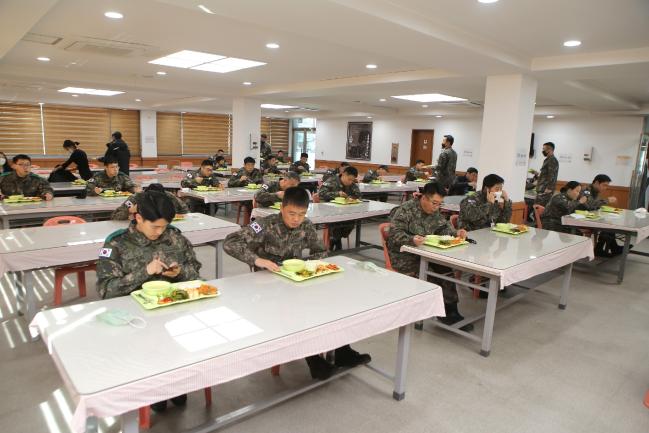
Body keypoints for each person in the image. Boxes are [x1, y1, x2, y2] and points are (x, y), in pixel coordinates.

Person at [223, 187, 371, 380]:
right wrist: (258, 260)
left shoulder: (306, 226)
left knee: (332, 305)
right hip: (267, 286)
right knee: (301, 311)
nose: (296, 219)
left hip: (297, 280)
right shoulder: (264, 224)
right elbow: (230, 242)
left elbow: (321, 251)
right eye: (292, 213)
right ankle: (315, 362)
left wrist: (308, 264)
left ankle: (342, 351)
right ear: (282, 208)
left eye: (301, 214)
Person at [97, 190, 201, 412]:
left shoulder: (175, 237)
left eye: (164, 226)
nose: (160, 231)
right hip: (136, 322)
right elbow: (106, 290)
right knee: (152, 355)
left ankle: (175, 384)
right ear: (138, 218)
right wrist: (145, 272)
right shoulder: (116, 244)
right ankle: (155, 388)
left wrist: (180, 273)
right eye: (155, 226)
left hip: (176, 316)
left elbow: (196, 271)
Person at [387, 181, 471, 331]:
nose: (436, 207)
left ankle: (451, 309)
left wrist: (456, 233)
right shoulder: (405, 210)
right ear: (424, 198)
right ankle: (439, 312)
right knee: (432, 275)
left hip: (426, 252)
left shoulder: (434, 211)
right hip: (405, 256)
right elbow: (393, 234)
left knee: (445, 270)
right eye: (434, 203)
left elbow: (443, 227)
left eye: (439, 204)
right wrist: (411, 239)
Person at [318, 166, 361, 250]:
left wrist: (351, 197)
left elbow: (358, 195)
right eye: (349, 179)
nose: (350, 182)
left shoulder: (352, 184)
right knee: (336, 221)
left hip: (345, 210)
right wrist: (337, 194)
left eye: (352, 180)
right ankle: (335, 241)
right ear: (344, 174)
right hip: (328, 209)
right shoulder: (331, 180)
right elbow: (321, 194)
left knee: (352, 221)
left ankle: (336, 239)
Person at [581, 174, 624, 257]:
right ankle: (602, 249)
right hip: (580, 218)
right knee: (606, 225)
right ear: (596, 182)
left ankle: (609, 248)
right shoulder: (586, 190)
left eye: (607, 186)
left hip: (589, 216)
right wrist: (607, 200)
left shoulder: (595, 192)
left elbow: (596, 206)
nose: (605, 188)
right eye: (604, 185)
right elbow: (590, 205)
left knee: (609, 223)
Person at [111, 183, 189, 220]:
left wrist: (177, 215)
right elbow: (114, 217)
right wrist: (130, 211)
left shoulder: (168, 196)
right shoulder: (135, 199)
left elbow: (184, 209)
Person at [535, 142, 559, 206]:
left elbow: (552, 175)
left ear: (549, 150)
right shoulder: (547, 160)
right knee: (537, 208)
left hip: (545, 191)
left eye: (544, 149)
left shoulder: (552, 160)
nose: (542, 151)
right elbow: (545, 174)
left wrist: (549, 188)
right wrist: (537, 173)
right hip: (541, 189)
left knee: (540, 210)